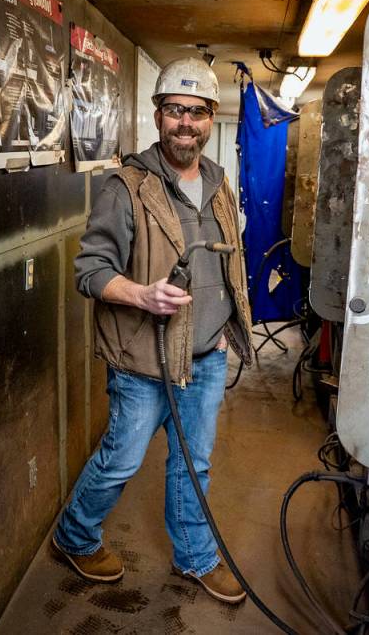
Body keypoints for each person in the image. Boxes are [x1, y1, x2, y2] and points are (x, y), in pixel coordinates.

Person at [52, 57, 254, 604]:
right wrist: (142, 294)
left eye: (196, 112)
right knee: (121, 460)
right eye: (174, 111)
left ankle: (195, 558)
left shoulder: (218, 183)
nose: (185, 123)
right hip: (144, 360)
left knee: (195, 464)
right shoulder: (127, 186)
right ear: (158, 115)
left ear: (210, 118)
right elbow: (89, 273)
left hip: (206, 356)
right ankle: (74, 535)